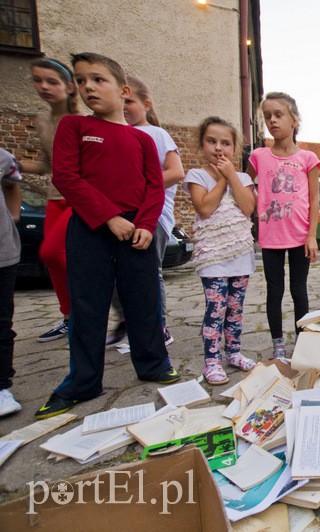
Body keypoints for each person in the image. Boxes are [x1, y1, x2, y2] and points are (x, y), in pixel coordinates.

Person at [36, 53, 178, 419]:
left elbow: (154, 186)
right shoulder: (74, 127)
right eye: (82, 81)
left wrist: (146, 224)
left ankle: (153, 364)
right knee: (88, 305)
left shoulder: (143, 140)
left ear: (122, 89)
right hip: (91, 225)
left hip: (138, 229)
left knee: (142, 300)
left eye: (98, 80)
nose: (88, 88)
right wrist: (109, 218)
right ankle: (82, 382)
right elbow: (66, 178)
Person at [106, 76, 185, 347]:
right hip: (123, 216)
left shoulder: (156, 134)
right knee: (118, 275)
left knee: (150, 273)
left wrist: (137, 191)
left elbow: (175, 173)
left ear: (146, 104)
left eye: (129, 101)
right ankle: (130, 321)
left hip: (154, 217)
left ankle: (159, 327)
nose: (124, 106)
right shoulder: (119, 133)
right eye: (121, 100)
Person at [247, 92, 320, 360]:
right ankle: (277, 342)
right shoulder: (259, 155)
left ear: (294, 120)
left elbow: (313, 198)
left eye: (278, 115)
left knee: (298, 290)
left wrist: (312, 235)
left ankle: (302, 339)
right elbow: (245, 186)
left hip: (300, 235)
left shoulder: (308, 158)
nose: (272, 121)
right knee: (274, 291)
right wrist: (258, 203)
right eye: (267, 116)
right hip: (271, 236)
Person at [185, 117, 257, 385]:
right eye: (211, 141)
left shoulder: (243, 178)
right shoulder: (197, 176)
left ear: (234, 148)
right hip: (213, 257)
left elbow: (247, 207)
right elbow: (205, 208)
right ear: (202, 144)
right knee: (216, 309)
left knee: (235, 309)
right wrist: (222, 179)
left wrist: (231, 176)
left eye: (225, 143)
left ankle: (234, 352)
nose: (219, 148)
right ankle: (212, 360)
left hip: (239, 255)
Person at [18, 58, 80, 343]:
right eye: (38, 80)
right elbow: (46, 163)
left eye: (51, 81)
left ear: (69, 87)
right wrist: (14, 164)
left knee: (53, 253)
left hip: (79, 197)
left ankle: (88, 306)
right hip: (55, 196)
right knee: (51, 258)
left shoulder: (81, 122)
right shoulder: (42, 121)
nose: (43, 86)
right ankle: (70, 317)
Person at [0, 149, 22, 417]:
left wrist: (13, 217)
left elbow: (12, 185)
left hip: (3, 253)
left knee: (2, 322)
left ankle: (1, 385)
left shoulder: (4, 158)